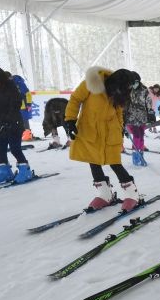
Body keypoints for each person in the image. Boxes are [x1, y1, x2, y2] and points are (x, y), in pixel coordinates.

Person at [64, 66, 142, 211]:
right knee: (93, 161)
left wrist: (120, 129)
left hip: (110, 132)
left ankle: (132, 194)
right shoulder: (92, 83)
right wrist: (70, 120)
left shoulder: (120, 92)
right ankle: (105, 194)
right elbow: (75, 99)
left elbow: (119, 113)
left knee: (115, 163)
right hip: (90, 130)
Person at [0, 66, 33, 184]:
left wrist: (7, 119)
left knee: (15, 149)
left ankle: (25, 171)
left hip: (13, 123)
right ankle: (5, 172)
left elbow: (15, 104)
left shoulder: (11, 87)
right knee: (0, 150)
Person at [124, 71, 154, 166]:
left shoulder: (144, 90)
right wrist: (123, 113)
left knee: (141, 136)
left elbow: (148, 101)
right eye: (132, 82)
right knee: (136, 136)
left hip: (142, 117)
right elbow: (124, 103)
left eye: (135, 81)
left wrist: (150, 112)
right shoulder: (127, 90)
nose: (133, 84)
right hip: (131, 117)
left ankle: (141, 154)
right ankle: (136, 156)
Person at [5, 71, 34, 141]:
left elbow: (28, 94)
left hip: (23, 106)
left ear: (10, 77)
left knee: (24, 120)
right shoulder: (7, 85)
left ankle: (28, 136)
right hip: (13, 106)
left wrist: (29, 104)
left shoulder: (19, 83)